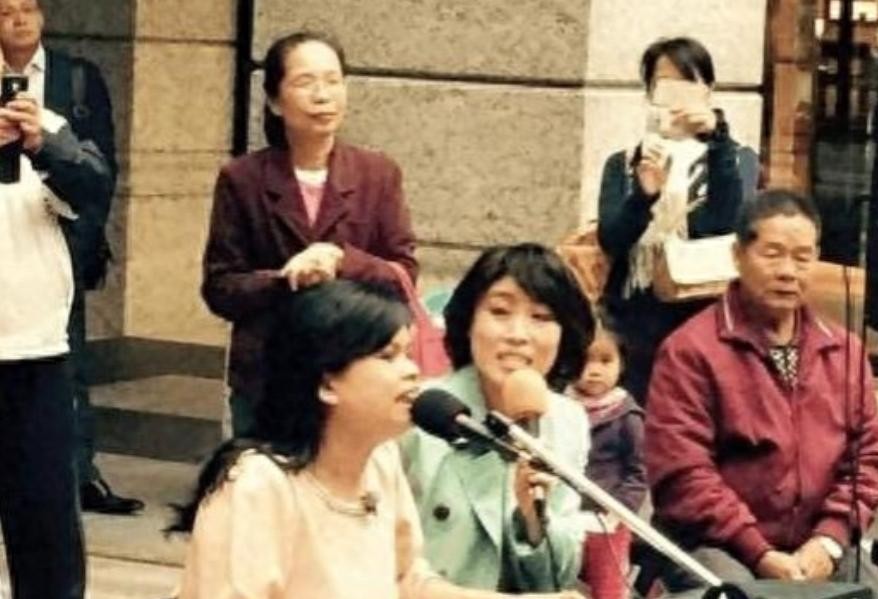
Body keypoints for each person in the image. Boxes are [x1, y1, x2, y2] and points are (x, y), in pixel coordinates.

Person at [170, 279, 582, 599]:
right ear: (327, 383)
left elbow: (408, 583)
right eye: (388, 356)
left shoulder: (381, 461)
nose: (411, 371)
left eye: (408, 354)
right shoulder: (258, 485)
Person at [644, 190, 878, 597]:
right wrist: (759, 553)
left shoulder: (844, 351)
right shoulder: (690, 349)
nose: (788, 271)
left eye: (802, 257)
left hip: (817, 545)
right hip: (717, 545)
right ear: (738, 255)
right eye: (772, 254)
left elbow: (868, 459)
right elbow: (684, 474)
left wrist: (828, 541)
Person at [201, 31, 417, 438]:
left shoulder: (377, 174)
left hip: (354, 371)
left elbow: (403, 274)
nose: (323, 96)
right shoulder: (242, 178)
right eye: (305, 82)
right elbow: (220, 287)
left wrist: (341, 261)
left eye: (333, 81)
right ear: (274, 100)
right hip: (268, 375)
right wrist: (285, 279)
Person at [0, 0, 141, 514]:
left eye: (28, 8)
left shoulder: (76, 79)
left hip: (57, 245)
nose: (20, 20)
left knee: (66, 367)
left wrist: (80, 243)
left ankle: (77, 473)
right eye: (6, 12)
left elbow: (101, 170)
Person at [400, 243, 594, 592]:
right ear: (468, 321)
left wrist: (534, 523)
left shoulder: (568, 422)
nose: (518, 335)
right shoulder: (419, 412)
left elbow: (559, 577)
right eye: (500, 311)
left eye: (541, 317)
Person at [0, 30, 115, 599]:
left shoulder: (42, 123)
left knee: (46, 534)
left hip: (37, 353)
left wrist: (42, 145)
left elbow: (95, 186)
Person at [597, 36, 756, 405]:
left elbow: (723, 226)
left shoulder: (734, 158)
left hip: (702, 316)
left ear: (708, 91)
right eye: (664, 86)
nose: (676, 99)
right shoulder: (624, 162)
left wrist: (717, 140)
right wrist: (644, 196)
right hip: (633, 320)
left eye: (688, 84)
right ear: (649, 93)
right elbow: (612, 240)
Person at [564, 310, 646, 599]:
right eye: (585, 360)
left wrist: (619, 511)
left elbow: (639, 473)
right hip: (565, 516)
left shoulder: (627, 415)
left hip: (609, 521)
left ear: (621, 363)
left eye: (605, 360)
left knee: (607, 588)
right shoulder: (559, 408)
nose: (594, 370)